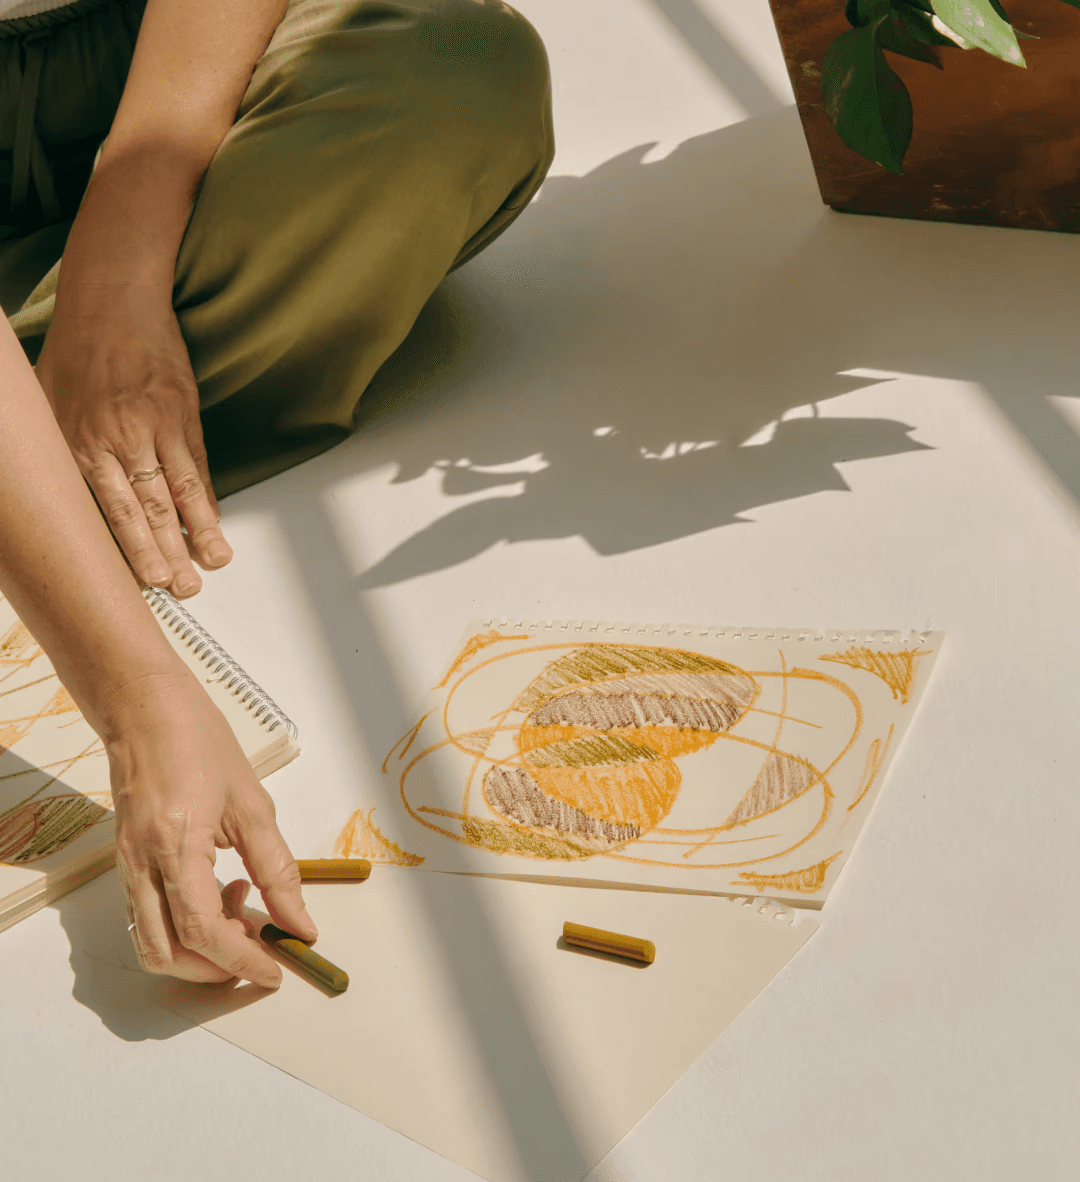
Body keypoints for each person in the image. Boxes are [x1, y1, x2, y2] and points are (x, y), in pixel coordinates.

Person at [0, 0, 554, 982]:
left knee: (462, 74)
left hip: (136, 49)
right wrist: (140, 700)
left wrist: (115, 281)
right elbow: (140, 700)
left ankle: (55, 419)